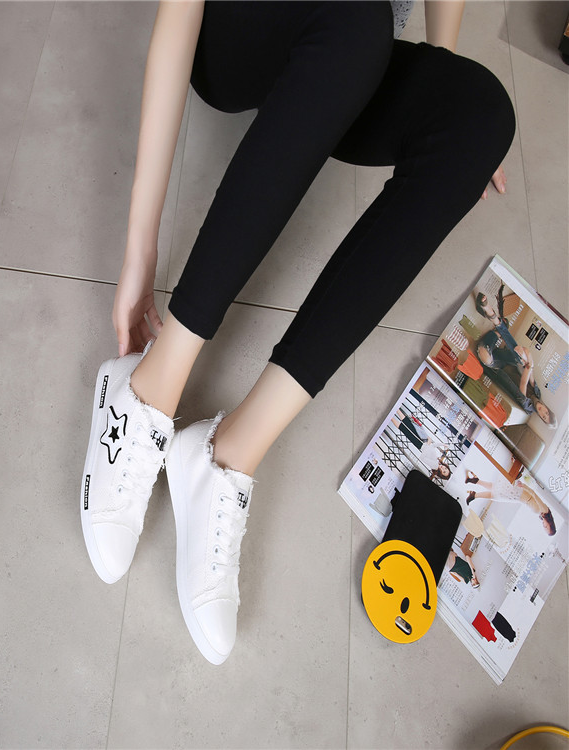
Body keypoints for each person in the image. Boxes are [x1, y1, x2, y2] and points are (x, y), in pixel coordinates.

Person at [81, 0, 515, 665]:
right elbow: (179, 18)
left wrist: (438, 82)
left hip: (350, 56)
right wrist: (140, 251)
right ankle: (148, 387)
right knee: (356, 16)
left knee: (479, 118)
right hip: (241, 37)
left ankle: (226, 456)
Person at [464, 471, 557, 535]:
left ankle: (476, 483)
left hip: (519, 498)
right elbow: (534, 494)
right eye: (546, 526)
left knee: (497, 491)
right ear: (550, 524)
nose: (544, 526)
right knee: (496, 494)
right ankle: (474, 494)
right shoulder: (545, 510)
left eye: (544, 528)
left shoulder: (542, 515)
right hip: (520, 493)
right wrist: (524, 486)